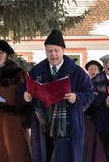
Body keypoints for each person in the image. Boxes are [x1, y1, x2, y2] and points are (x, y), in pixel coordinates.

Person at [22, 29, 94, 162]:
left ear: (63, 50)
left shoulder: (77, 72)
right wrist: (26, 97)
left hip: (67, 128)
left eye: (56, 50)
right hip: (43, 127)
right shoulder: (37, 71)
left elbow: (89, 94)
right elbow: (23, 90)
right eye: (49, 51)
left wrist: (76, 97)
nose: (53, 54)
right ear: (45, 51)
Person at [84, 60, 107, 162]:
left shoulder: (102, 84)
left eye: (95, 69)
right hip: (86, 119)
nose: (93, 71)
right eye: (91, 69)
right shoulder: (83, 83)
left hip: (100, 118)